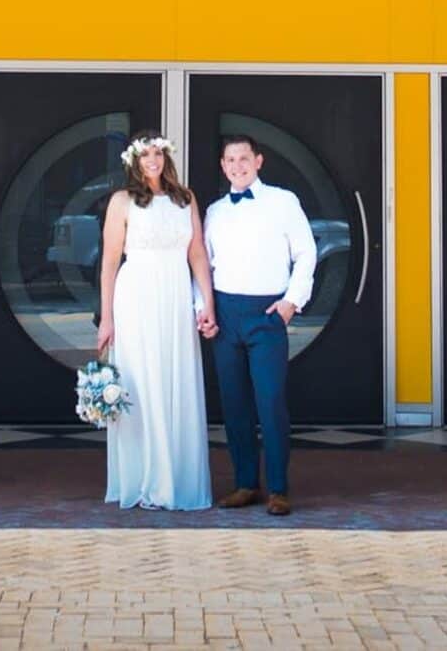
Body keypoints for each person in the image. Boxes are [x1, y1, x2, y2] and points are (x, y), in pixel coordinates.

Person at [94, 134, 215, 511]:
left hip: (176, 297)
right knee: (142, 381)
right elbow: (111, 261)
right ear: (134, 160)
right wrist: (107, 318)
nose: (153, 160)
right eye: (146, 154)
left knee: (174, 378)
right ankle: (145, 478)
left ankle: (176, 477)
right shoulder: (121, 201)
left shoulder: (185, 198)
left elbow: (197, 254)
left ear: (166, 157)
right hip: (137, 298)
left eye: (158, 153)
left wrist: (207, 301)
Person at [202, 132, 317, 516]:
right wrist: (202, 309)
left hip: (267, 314)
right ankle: (246, 484)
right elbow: (203, 264)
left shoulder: (284, 202)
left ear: (258, 161)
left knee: (270, 403)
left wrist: (291, 302)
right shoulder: (215, 211)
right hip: (226, 314)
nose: (238, 166)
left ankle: (279, 489)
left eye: (244, 158)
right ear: (223, 166)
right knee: (234, 406)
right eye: (230, 160)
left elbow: (306, 253)